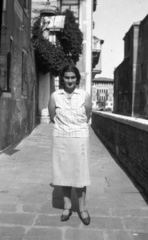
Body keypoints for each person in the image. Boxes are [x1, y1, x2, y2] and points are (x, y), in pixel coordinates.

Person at [48, 63, 92, 225]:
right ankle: (67, 207)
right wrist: (65, 128)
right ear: (62, 79)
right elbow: (53, 116)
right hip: (61, 138)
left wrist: (75, 128)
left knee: (80, 174)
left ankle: (82, 209)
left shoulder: (84, 95)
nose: (70, 80)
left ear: (77, 79)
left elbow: (87, 114)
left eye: (73, 77)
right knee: (64, 173)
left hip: (80, 137)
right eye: (67, 77)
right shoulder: (55, 96)